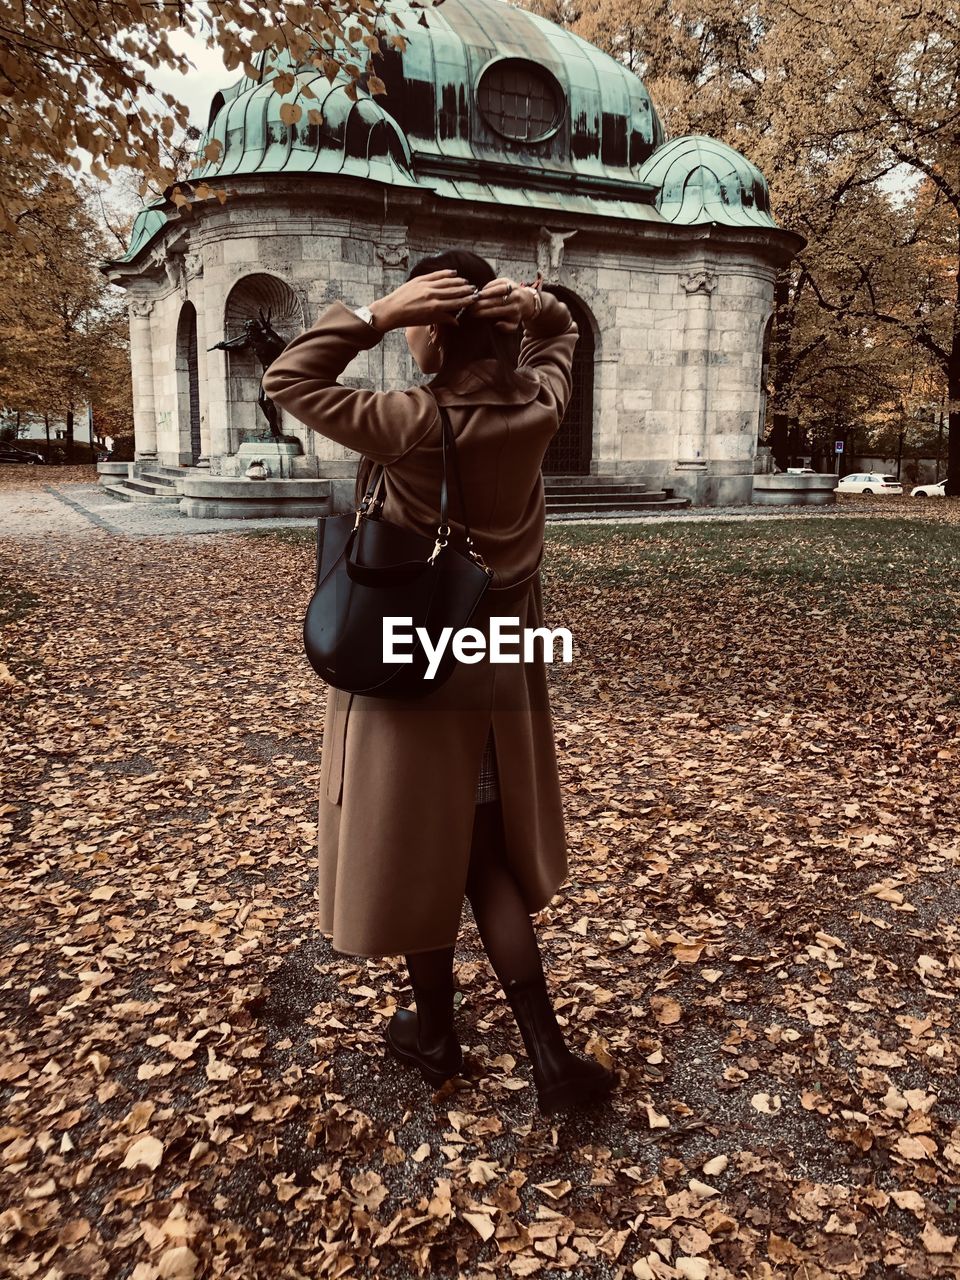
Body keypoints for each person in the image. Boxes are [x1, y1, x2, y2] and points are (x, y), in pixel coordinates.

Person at [261, 250, 617, 1114]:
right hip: (496, 662)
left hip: (412, 658)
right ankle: (549, 1060)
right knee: (481, 852)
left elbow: (288, 379)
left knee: (427, 843)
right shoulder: (537, 405)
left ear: (432, 330)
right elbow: (562, 327)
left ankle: (435, 1033)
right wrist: (530, 303)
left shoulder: (411, 420)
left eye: (421, 321)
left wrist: (377, 311)